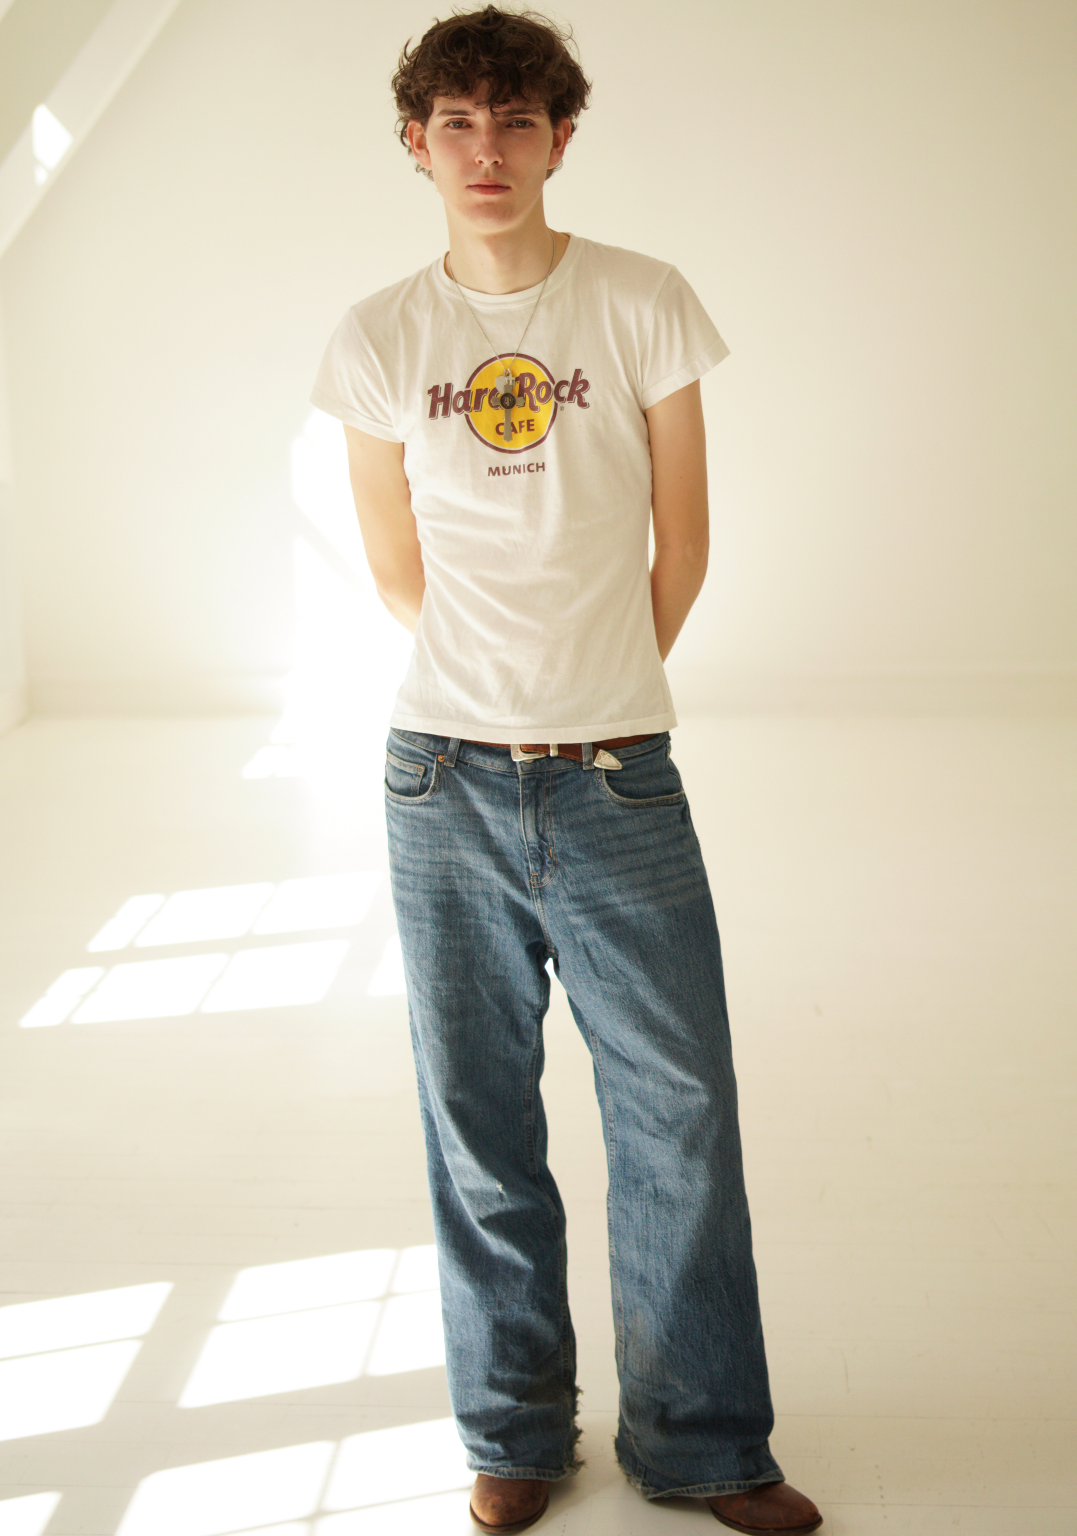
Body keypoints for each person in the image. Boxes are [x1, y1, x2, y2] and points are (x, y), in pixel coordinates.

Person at [310, 8, 822, 1533]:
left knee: (680, 1108)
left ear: (561, 139)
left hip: (617, 780)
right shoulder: (378, 338)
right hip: (440, 781)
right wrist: (496, 687)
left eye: (517, 120)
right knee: (478, 1120)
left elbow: (685, 540)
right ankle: (516, 1431)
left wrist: (596, 687)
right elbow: (396, 572)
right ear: (416, 145)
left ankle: (705, 1441)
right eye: (458, 124)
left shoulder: (643, 301)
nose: (488, 149)